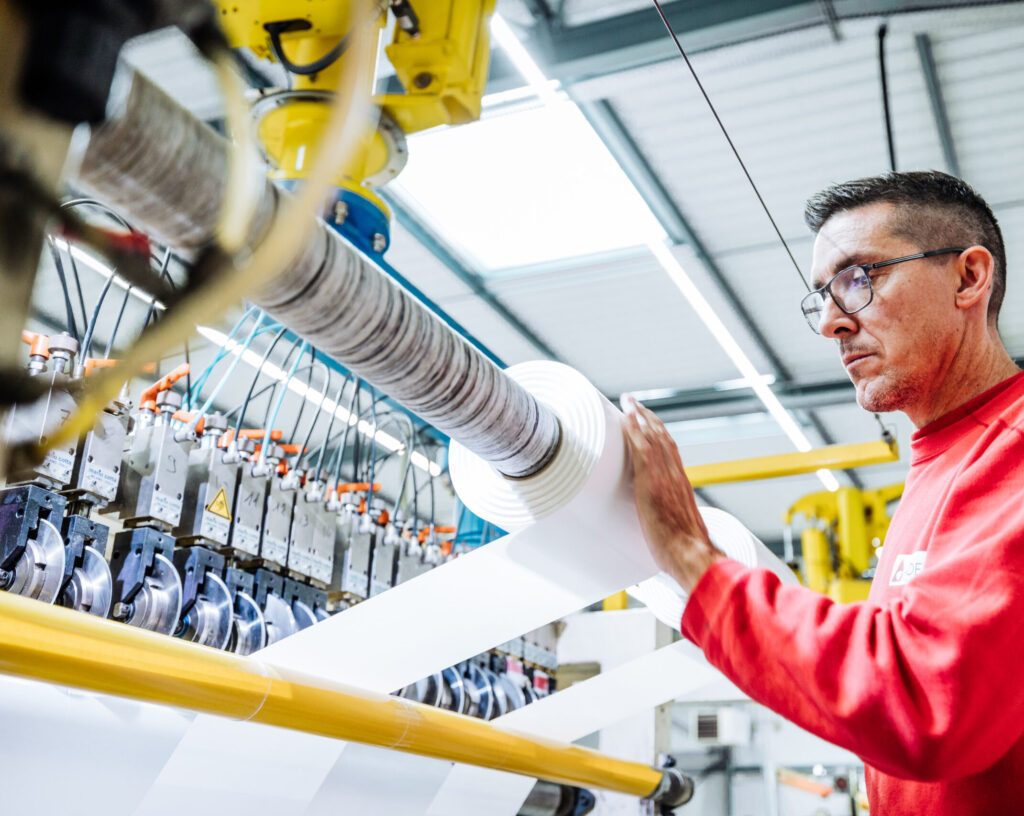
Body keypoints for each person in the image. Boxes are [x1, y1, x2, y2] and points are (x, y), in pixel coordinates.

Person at [621, 170, 1024, 814]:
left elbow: (925, 703)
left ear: (968, 278)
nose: (830, 323)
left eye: (859, 279)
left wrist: (693, 560)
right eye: (822, 296)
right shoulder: (940, 463)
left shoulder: (1013, 447)